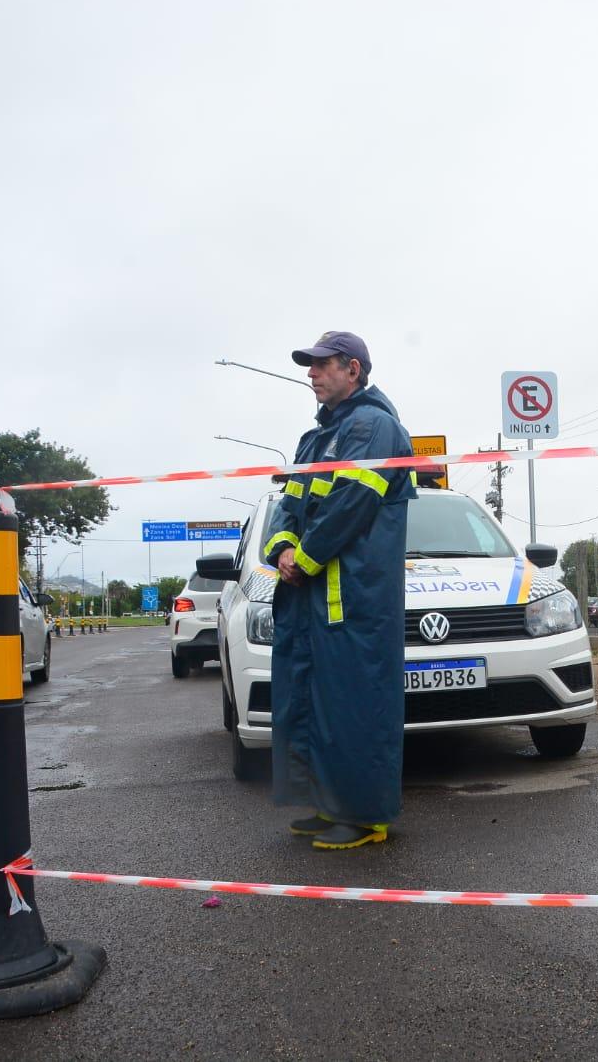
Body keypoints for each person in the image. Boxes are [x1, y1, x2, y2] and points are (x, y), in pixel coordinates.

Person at [262, 331, 416, 850]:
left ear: (353, 369)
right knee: (316, 704)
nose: (312, 373)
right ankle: (332, 807)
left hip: (354, 597)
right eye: (310, 365)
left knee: (357, 706)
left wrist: (302, 559)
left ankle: (366, 815)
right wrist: (282, 548)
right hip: (312, 597)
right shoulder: (314, 440)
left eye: (322, 365)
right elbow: (287, 504)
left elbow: (351, 503)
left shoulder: (375, 427)